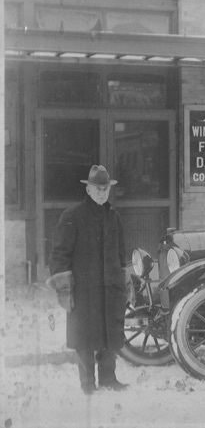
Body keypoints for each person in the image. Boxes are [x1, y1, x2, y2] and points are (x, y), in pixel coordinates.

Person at [47, 165, 128, 395]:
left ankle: (108, 378)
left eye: (105, 188)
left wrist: (123, 280)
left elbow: (121, 253)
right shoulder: (72, 216)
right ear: (89, 189)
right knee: (84, 338)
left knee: (108, 334)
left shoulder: (114, 217)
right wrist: (64, 289)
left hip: (109, 288)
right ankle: (87, 384)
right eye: (97, 188)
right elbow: (59, 254)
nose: (102, 192)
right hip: (84, 290)